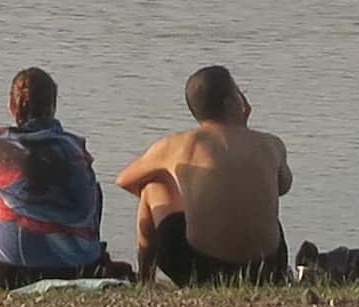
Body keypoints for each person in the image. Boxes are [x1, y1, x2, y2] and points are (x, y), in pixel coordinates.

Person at [113, 63, 293, 286]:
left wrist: (189, 202)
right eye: (241, 93)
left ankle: (145, 279)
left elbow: (124, 179)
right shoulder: (270, 144)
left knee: (153, 186)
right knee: (250, 192)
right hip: (268, 268)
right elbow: (283, 186)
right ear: (233, 104)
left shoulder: (177, 145)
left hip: (199, 270)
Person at [0, 67, 115, 286]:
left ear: (11, 106)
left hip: (12, 272)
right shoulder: (75, 150)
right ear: (53, 107)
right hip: (80, 267)